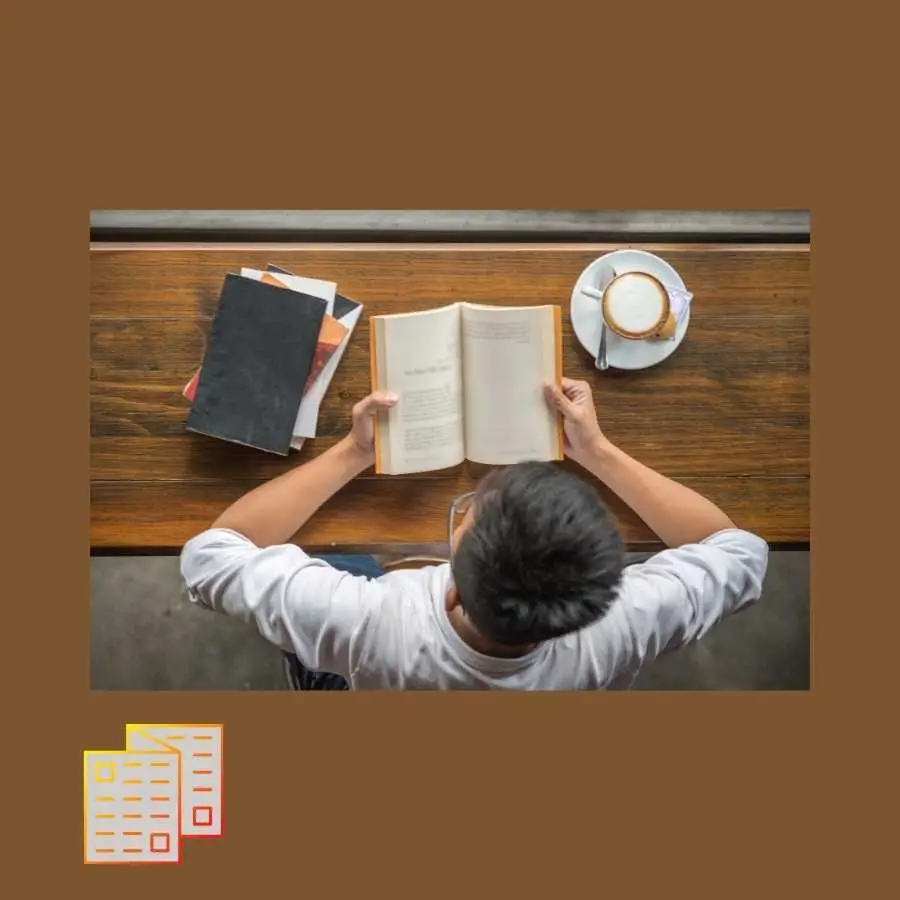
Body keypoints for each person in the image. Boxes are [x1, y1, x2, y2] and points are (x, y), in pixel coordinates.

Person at [180, 379, 768, 689]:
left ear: (453, 591)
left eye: (467, 514)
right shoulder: (626, 625)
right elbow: (739, 553)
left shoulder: (363, 622)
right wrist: (599, 452)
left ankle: (314, 678)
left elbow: (210, 557)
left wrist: (354, 451)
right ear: (608, 582)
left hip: (369, 674)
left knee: (345, 563)